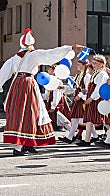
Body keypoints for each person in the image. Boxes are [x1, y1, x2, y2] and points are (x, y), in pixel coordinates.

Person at [1, 28, 83, 156]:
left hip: (16, 86)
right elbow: (50, 54)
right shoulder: (33, 55)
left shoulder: (13, 59)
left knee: (23, 114)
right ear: (30, 45)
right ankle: (18, 148)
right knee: (31, 113)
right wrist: (69, 48)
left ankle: (27, 144)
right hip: (28, 85)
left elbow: (3, 74)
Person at [77, 55, 109, 146]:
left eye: (96, 63)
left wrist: (92, 98)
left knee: (102, 119)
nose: (93, 65)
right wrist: (86, 93)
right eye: (93, 63)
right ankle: (87, 139)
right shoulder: (96, 73)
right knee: (89, 119)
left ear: (102, 64)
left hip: (97, 99)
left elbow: (99, 87)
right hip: (93, 97)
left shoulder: (102, 74)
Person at [59, 59, 90, 144]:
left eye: (79, 64)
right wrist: (64, 88)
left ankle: (79, 135)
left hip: (82, 99)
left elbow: (87, 90)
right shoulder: (78, 75)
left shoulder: (87, 76)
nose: (77, 66)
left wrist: (79, 96)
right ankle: (71, 137)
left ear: (84, 65)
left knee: (81, 119)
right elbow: (73, 89)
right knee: (75, 118)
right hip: (77, 99)